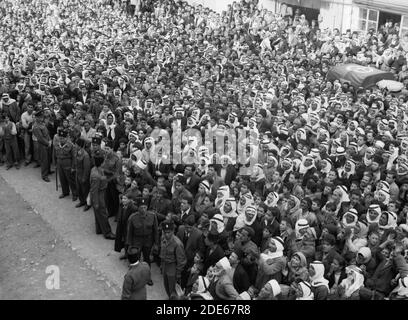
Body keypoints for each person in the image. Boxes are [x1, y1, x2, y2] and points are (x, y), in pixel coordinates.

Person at [126, 197, 159, 279]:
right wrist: (129, 245)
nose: (143, 209)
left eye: (145, 207)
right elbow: (129, 232)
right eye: (141, 207)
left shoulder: (152, 216)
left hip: (148, 241)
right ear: (138, 207)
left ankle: (147, 277)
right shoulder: (133, 218)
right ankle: (135, 276)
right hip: (137, 241)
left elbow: (155, 231)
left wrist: (156, 244)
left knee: (147, 259)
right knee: (136, 259)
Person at [89, 156, 115, 240]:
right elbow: (94, 191)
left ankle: (99, 229)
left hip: (100, 193)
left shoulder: (95, 169)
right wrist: (96, 203)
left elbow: (103, 173)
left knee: (98, 214)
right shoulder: (96, 176)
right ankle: (107, 233)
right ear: (101, 163)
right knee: (103, 214)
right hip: (99, 195)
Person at [159, 221, 187, 298]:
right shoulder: (163, 238)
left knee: (173, 290)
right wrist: (162, 265)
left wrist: (178, 274)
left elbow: (181, 261)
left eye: (169, 232)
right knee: (166, 286)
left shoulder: (177, 243)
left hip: (173, 267)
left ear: (173, 231)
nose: (167, 234)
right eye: (165, 232)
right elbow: (162, 252)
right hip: (165, 265)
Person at [54, 129, 77, 200]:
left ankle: (75, 194)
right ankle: (65, 192)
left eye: (63, 138)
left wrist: (73, 167)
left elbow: (74, 157)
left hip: (68, 164)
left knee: (70, 180)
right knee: (62, 179)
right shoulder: (57, 144)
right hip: (59, 164)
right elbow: (54, 155)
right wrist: (55, 164)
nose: (61, 140)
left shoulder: (71, 145)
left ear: (66, 138)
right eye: (60, 138)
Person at [32, 111, 51, 182]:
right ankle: (44, 175)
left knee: (48, 158)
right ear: (36, 118)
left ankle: (48, 170)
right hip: (42, 145)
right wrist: (47, 143)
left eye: (42, 117)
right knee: (44, 160)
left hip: (48, 143)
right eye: (40, 117)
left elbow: (47, 133)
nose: (41, 118)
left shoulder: (42, 124)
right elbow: (40, 138)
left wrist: (50, 140)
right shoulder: (36, 126)